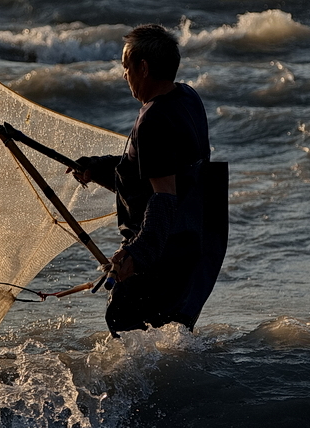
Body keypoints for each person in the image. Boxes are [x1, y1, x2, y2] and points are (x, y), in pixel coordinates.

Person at [71, 24, 227, 337]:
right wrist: (97, 168)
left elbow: (164, 196)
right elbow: (160, 171)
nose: (123, 74)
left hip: (164, 252)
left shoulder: (153, 119)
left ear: (143, 67)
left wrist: (136, 255)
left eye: (126, 66)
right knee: (166, 337)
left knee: (125, 322)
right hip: (195, 245)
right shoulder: (187, 98)